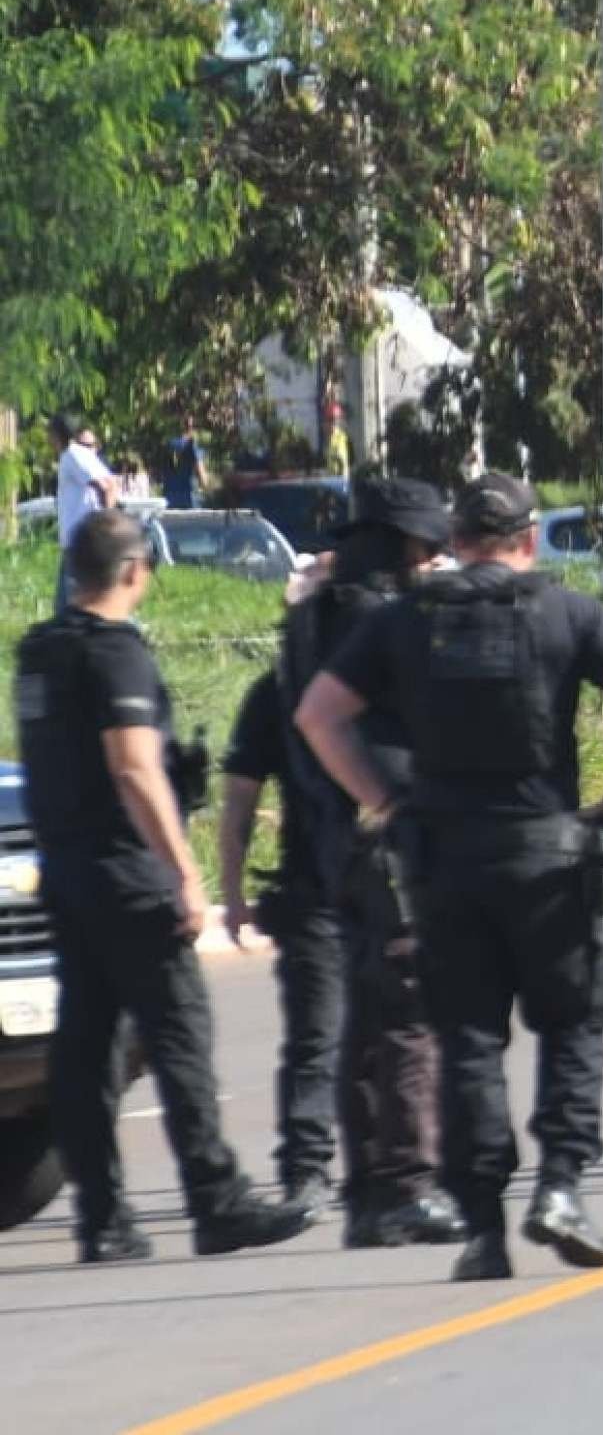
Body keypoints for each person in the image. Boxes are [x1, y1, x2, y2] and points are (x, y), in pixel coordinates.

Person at [297, 475, 603, 1281]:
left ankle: (485, 1233)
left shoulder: (405, 619)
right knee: (573, 1026)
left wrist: (387, 803)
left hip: (443, 865)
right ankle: (561, 1186)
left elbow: (317, 715)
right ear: (530, 539)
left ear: (455, 541)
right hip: (550, 860)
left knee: (469, 1041)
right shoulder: (569, 612)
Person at [17, 511, 312, 1265]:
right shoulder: (113, 652)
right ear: (133, 570)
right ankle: (217, 1202)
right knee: (180, 1035)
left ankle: (103, 1219)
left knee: (87, 1049)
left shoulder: (41, 652)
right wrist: (183, 870)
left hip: (69, 875)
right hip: (128, 873)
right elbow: (132, 766)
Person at [225, 476, 462, 1247]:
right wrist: (390, 803)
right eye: (425, 547)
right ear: (403, 544)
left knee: (363, 1019)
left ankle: (367, 1197)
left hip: (332, 846)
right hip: (383, 837)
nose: (430, 561)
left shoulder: (312, 619)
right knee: (407, 1012)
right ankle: (406, 1186)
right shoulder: (379, 618)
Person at [50, 412, 120, 610]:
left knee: (76, 608)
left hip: (80, 541)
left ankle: (124, 626)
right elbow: (111, 483)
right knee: (66, 607)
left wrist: (106, 521)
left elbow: (105, 486)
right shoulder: (80, 454)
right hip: (78, 542)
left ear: (57, 434)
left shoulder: (72, 456)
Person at [164, 419, 207, 510]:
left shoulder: (170, 444)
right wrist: (205, 487)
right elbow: (202, 474)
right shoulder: (192, 446)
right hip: (189, 496)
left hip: (170, 495)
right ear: (193, 429)